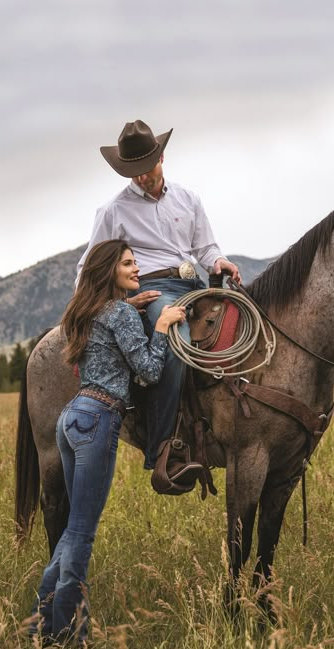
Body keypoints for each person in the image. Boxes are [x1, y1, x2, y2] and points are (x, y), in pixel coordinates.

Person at [29, 239, 186, 649]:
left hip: (72, 418)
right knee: (81, 534)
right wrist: (162, 326)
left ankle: (40, 623)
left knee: (70, 533)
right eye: (129, 264)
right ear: (109, 270)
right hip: (100, 420)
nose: (137, 269)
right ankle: (65, 636)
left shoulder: (89, 312)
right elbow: (150, 372)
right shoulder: (119, 312)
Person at [76, 120, 241, 470]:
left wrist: (220, 260)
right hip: (155, 291)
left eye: (145, 169)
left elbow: (205, 248)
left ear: (162, 156)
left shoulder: (188, 199)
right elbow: (89, 266)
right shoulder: (114, 211)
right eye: (132, 172)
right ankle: (165, 450)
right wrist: (101, 307)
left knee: (241, 327)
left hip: (194, 283)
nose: (140, 178)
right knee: (177, 343)